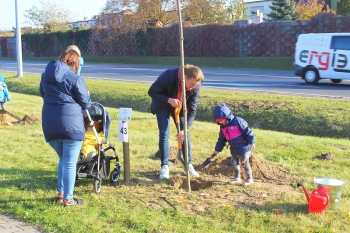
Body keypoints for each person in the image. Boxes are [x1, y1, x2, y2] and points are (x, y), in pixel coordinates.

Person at [40, 49, 91, 206]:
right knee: (69, 162)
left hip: (50, 124)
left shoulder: (45, 76)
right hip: (71, 126)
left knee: (63, 159)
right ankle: (68, 199)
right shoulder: (74, 78)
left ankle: (61, 192)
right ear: (75, 64)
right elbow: (86, 103)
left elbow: (43, 94)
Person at [148, 64, 204, 179]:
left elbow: (192, 109)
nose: (193, 87)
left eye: (196, 85)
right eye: (192, 84)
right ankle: (165, 166)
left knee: (185, 133)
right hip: (163, 104)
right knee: (164, 133)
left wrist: (185, 128)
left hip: (179, 106)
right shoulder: (169, 75)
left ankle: (188, 165)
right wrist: (169, 100)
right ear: (185, 78)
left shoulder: (196, 86)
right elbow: (152, 91)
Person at [211, 104, 256, 186]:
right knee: (234, 163)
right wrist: (217, 149)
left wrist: (252, 142)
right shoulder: (222, 127)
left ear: (226, 117)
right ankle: (237, 177)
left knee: (244, 162)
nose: (220, 122)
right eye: (218, 121)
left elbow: (248, 132)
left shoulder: (238, 121)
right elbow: (221, 139)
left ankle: (249, 178)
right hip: (234, 148)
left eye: (221, 120)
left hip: (244, 147)